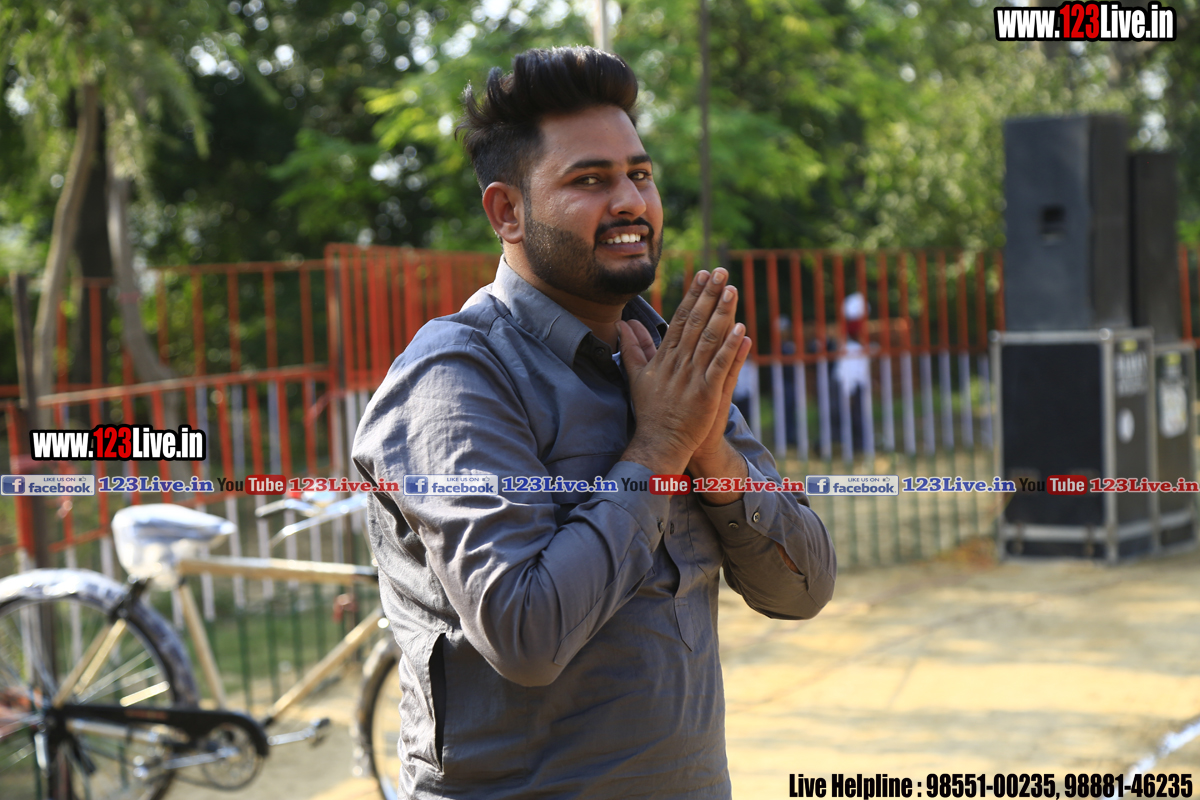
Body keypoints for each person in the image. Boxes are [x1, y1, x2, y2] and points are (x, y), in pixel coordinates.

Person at [351, 46, 836, 800]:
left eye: (640, 174)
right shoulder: (456, 378)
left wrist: (710, 453)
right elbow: (527, 634)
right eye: (589, 180)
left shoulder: (666, 360)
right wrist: (659, 450)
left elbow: (803, 587)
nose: (631, 201)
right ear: (508, 212)